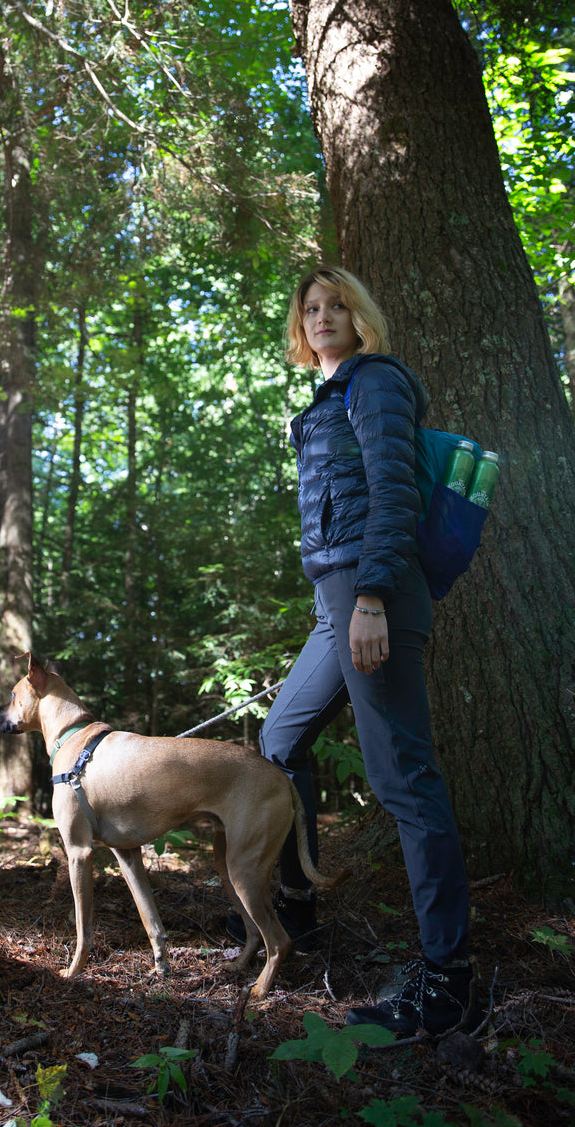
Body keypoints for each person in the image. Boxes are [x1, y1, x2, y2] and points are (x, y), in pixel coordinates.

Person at [228, 264, 475, 1036]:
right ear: (299, 326)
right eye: (311, 307)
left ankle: (448, 983)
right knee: (278, 739)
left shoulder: (377, 381)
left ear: (360, 317)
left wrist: (369, 599)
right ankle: (296, 919)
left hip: (376, 593)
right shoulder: (324, 400)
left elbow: (395, 492)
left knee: (404, 776)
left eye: (337, 304)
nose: (323, 314)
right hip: (337, 599)